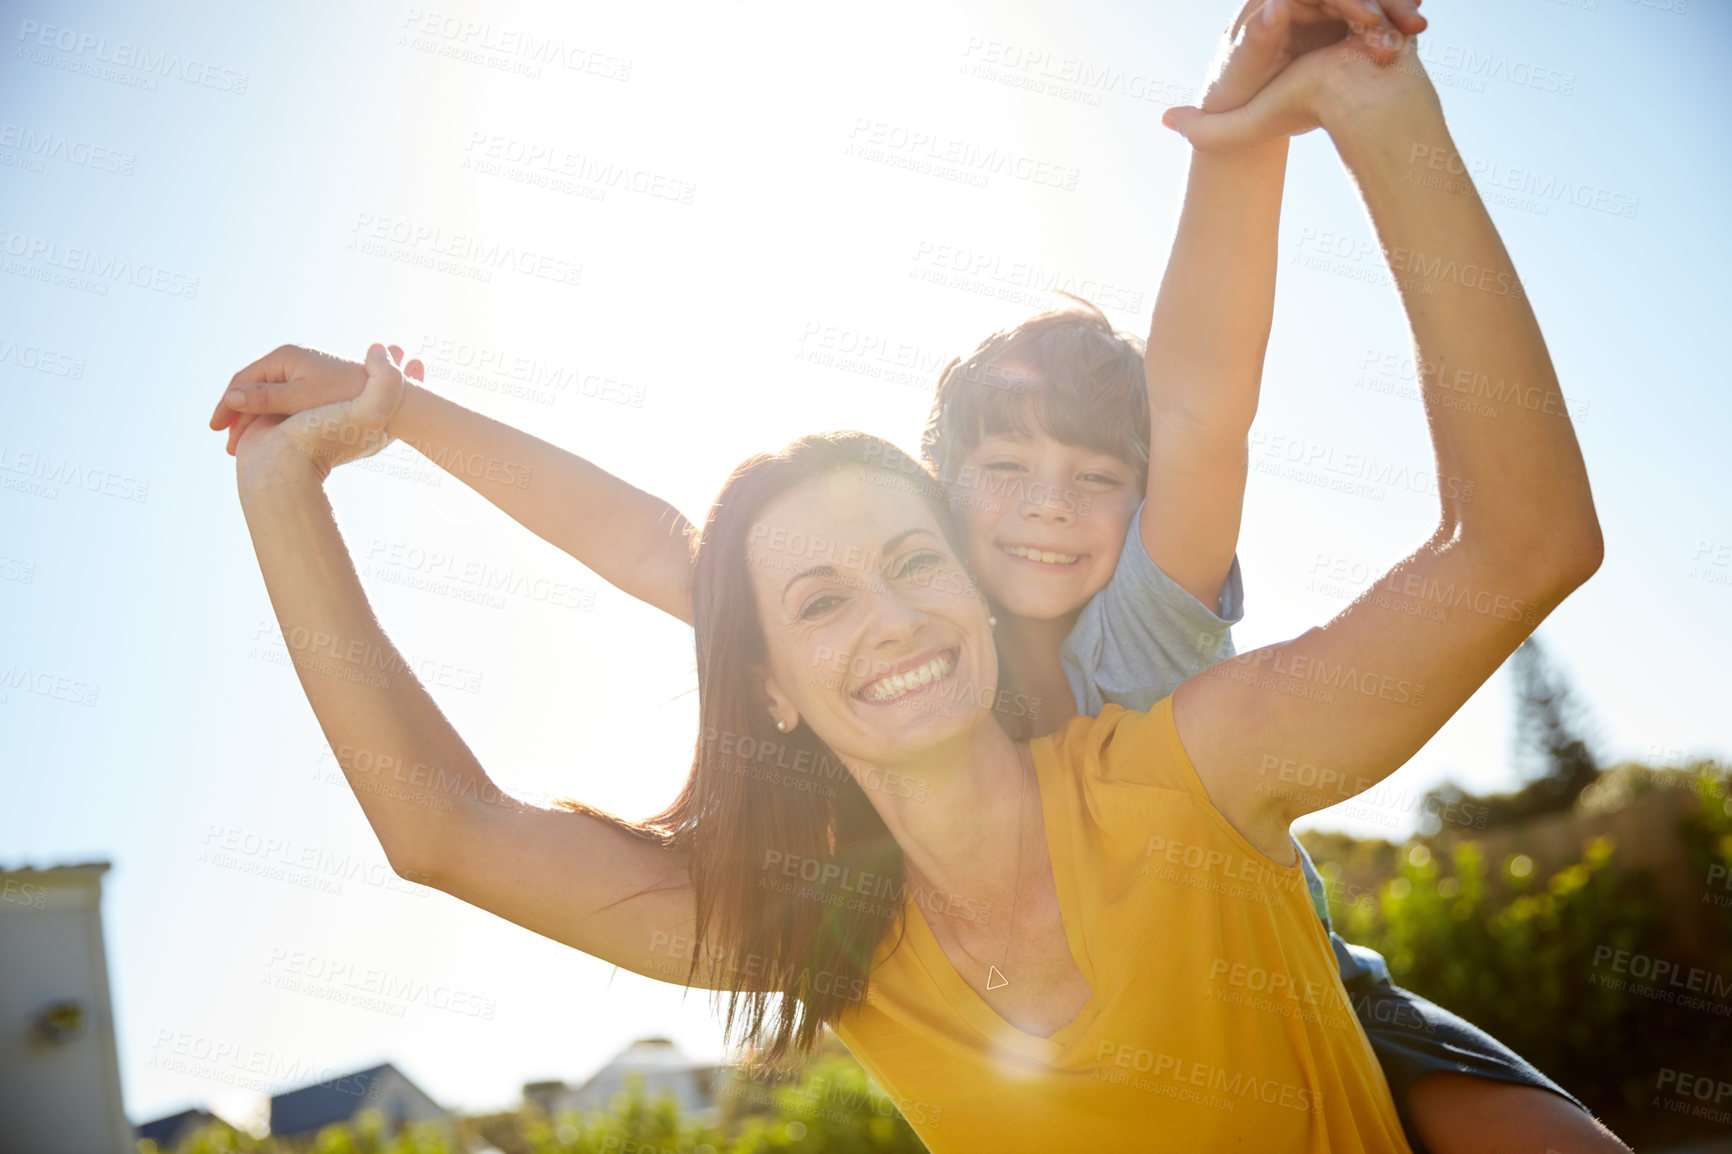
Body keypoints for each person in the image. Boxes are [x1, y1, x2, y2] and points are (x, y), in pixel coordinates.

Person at [221, 18, 1629, 1151]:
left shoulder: (1156, 686)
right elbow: (508, 746)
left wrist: (1292, 116)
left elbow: (1216, 416)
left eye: (905, 565)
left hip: (1328, 985)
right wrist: (357, 441)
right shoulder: (836, 926)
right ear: (766, 670)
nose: (895, 611)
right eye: (820, 600)